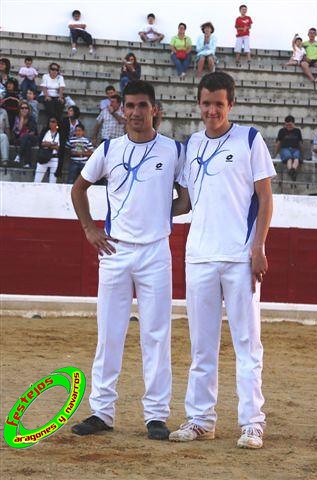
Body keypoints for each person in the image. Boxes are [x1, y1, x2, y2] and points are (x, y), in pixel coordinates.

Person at [70, 80, 184, 440]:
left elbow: (189, 197)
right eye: (130, 106)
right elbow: (78, 188)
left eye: (142, 106)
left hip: (155, 251)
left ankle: (156, 415)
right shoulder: (109, 148)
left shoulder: (173, 150)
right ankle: (101, 411)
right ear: (123, 111)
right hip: (115, 250)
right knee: (109, 332)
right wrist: (90, 230)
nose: (135, 113)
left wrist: (161, 215)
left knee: (156, 333)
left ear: (155, 110)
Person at [169, 72, 276, 449]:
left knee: (248, 343)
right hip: (199, 256)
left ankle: (252, 422)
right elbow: (186, 202)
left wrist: (259, 247)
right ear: (198, 104)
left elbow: (265, 198)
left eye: (219, 103)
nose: (212, 110)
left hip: (239, 257)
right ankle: (200, 420)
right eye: (206, 103)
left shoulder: (249, 139)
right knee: (201, 345)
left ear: (230, 104)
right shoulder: (193, 144)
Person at [275, 115, 303, 181]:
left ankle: (292, 171)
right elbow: (278, 143)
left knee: (296, 158)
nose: (288, 127)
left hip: (295, 149)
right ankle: (292, 171)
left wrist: (302, 153)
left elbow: (300, 143)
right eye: (286, 125)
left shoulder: (297, 131)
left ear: (293, 124)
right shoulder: (282, 131)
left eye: (290, 125)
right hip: (285, 149)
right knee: (289, 158)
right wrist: (276, 153)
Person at [34, 117, 60, 183]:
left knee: (53, 182)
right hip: (43, 157)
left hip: (55, 158)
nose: (51, 123)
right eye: (50, 121)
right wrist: (52, 144)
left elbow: (59, 147)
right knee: (37, 180)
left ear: (57, 123)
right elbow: (41, 144)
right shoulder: (45, 132)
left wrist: (47, 144)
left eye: (53, 121)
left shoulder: (60, 134)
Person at [12, 100, 38, 168]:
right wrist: (22, 118)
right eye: (22, 108)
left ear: (28, 110)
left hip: (32, 138)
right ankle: (27, 163)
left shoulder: (32, 118)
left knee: (26, 136)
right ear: (19, 109)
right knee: (27, 142)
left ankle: (19, 155)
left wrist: (26, 134)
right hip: (20, 139)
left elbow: (33, 132)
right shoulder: (17, 118)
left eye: (26, 108)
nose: (24, 109)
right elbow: (17, 131)